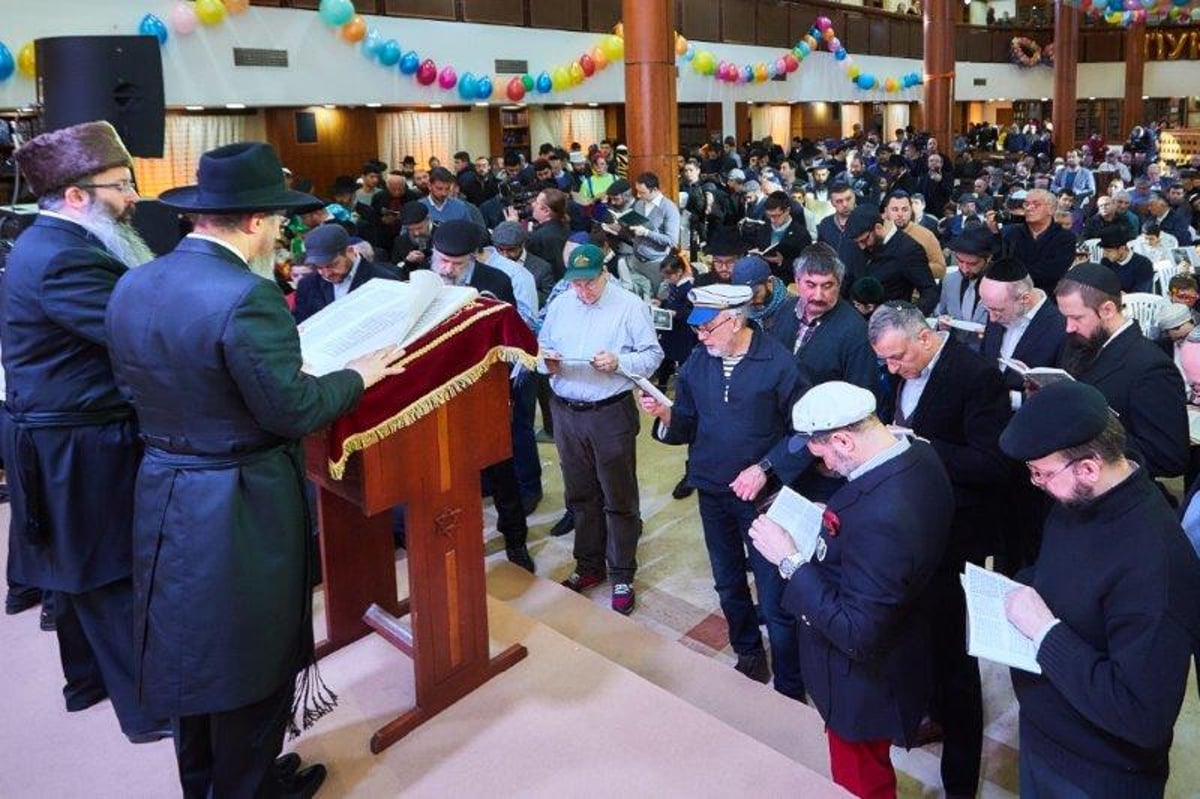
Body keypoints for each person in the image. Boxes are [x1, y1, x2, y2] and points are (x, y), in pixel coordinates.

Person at [104, 142, 406, 797]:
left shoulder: (135, 280)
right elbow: (292, 410)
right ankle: (244, 786)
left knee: (191, 653)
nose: (279, 234)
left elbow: (131, 383)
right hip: (239, 500)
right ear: (252, 222)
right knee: (251, 655)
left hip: (163, 485)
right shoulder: (247, 296)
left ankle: (212, 779)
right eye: (276, 221)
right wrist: (360, 373)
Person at [1, 120, 167, 744]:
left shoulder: (54, 243)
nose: (132, 199)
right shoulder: (64, 256)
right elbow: (137, 331)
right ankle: (151, 712)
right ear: (76, 195)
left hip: (70, 436)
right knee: (110, 578)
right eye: (121, 185)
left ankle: (87, 682)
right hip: (79, 445)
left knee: (81, 575)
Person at [747, 382, 954, 799]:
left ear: (843, 438)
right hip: (907, 637)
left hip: (863, 681)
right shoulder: (920, 454)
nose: (817, 461)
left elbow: (856, 632)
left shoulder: (884, 517)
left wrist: (788, 558)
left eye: (819, 450)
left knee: (862, 782)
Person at [999, 380, 1200, 798]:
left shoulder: (1156, 563)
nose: (1036, 483)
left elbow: (1141, 715)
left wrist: (1044, 633)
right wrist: (1020, 587)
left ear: (1088, 467)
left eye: (1041, 473)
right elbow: (1059, 571)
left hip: (1098, 772)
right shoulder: (1079, 501)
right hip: (1046, 735)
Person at [868, 301, 1012, 799]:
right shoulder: (905, 366)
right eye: (885, 360)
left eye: (898, 358)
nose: (891, 369)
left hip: (957, 537)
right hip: (914, 529)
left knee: (955, 659)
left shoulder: (976, 376)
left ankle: (960, 781)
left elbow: (995, 463)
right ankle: (931, 716)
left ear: (925, 338)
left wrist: (919, 444)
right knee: (921, 642)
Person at [640, 284, 808, 701]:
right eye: (697, 327)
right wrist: (665, 416)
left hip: (763, 500)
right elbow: (688, 426)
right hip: (712, 491)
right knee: (728, 581)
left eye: (707, 327)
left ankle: (790, 680)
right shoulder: (700, 360)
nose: (700, 335)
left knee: (775, 594)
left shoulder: (779, 364)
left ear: (735, 320)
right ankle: (748, 653)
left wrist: (764, 468)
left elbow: (805, 432)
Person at [539, 244, 663, 614]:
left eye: (589, 283)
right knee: (580, 495)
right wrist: (548, 362)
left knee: (618, 497)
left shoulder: (629, 306)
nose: (582, 291)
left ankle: (622, 572)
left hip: (609, 412)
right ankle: (588, 566)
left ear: (604, 273)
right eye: (576, 284)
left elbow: (653, 355)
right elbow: (541, 346)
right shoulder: (561, 304)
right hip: (566, 412)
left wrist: (619, 361)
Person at [1056, 262, 1188, 479]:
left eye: (1077, 317)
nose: (1068, 327)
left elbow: (1169, 457)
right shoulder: (1080, 341)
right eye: (1066, 317)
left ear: (1107, 309)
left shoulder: (1151, 367)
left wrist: (1096, 429)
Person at [772, 243, 879, 394]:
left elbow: (862, 395)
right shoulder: (785, 310)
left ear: (839, 284)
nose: (818, 295)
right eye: (810, 285)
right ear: (797, 281)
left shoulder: (856, 332)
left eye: (827, 286)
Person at [292, 224, 399, 324]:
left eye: (332, 265)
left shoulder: (385, 282)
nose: (327, 274)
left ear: (350, 251)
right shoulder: (307, 285)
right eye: (319, 267)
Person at [844, 205, 939, 314]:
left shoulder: (908, 250)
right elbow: (848, 278)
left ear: (878, 228)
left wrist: (909, 319)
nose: (861, 247)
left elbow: (930, 291)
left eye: (864, 240)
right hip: (853, 318)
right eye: (858, 242)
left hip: (888, 322)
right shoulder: (860, 243)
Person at [992, 189, 1077, 294]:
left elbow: (1052, 273)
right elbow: (1000, 263)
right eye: (1026, 204)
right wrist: (995, 233)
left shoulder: (1065, 238)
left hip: (1046, 296)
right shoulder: (1011, 232)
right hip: (1009, 293)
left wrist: (1014, 273)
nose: (1029, 208)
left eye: (1036, 204)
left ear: (1051, 209)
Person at [935, 226, 994, 351]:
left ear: (988, 258)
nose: (964, 268)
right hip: (955, 352)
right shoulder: (949, 280)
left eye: (972, 264)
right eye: (960, 261)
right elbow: (940, 312)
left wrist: (992, 333)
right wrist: (942, 323)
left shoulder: (1000, 286)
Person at [732, 255, 797, 346]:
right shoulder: (737, 311)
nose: (750, 301)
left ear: (769, 281)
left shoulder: (793, 310)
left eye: (755, 293)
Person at [1098, 224, 1153, 294]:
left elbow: (1143, 295)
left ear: (1122, 249)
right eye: (1104, 250)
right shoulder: (1106, 262)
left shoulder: (1143, 264)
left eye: (1109, 251)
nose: (1105, 254)